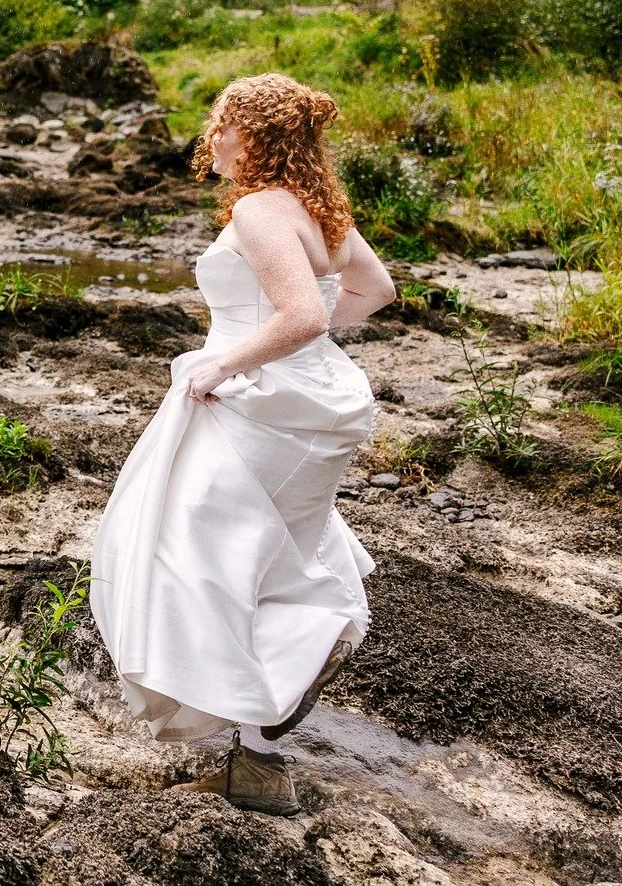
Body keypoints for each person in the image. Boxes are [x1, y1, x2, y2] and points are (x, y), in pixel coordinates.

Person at [89, 73, 396, 816]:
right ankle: (260, 763)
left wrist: (228, 361)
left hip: (256, 403)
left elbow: (302, 316)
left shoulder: (262, 209)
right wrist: (294, 354)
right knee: (263, 555)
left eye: (220, 123)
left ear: (253, 134)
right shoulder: (317, 209)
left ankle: (298, 659)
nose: (210, 135)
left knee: (187, 548)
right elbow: (374, 289)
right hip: (298, 399)